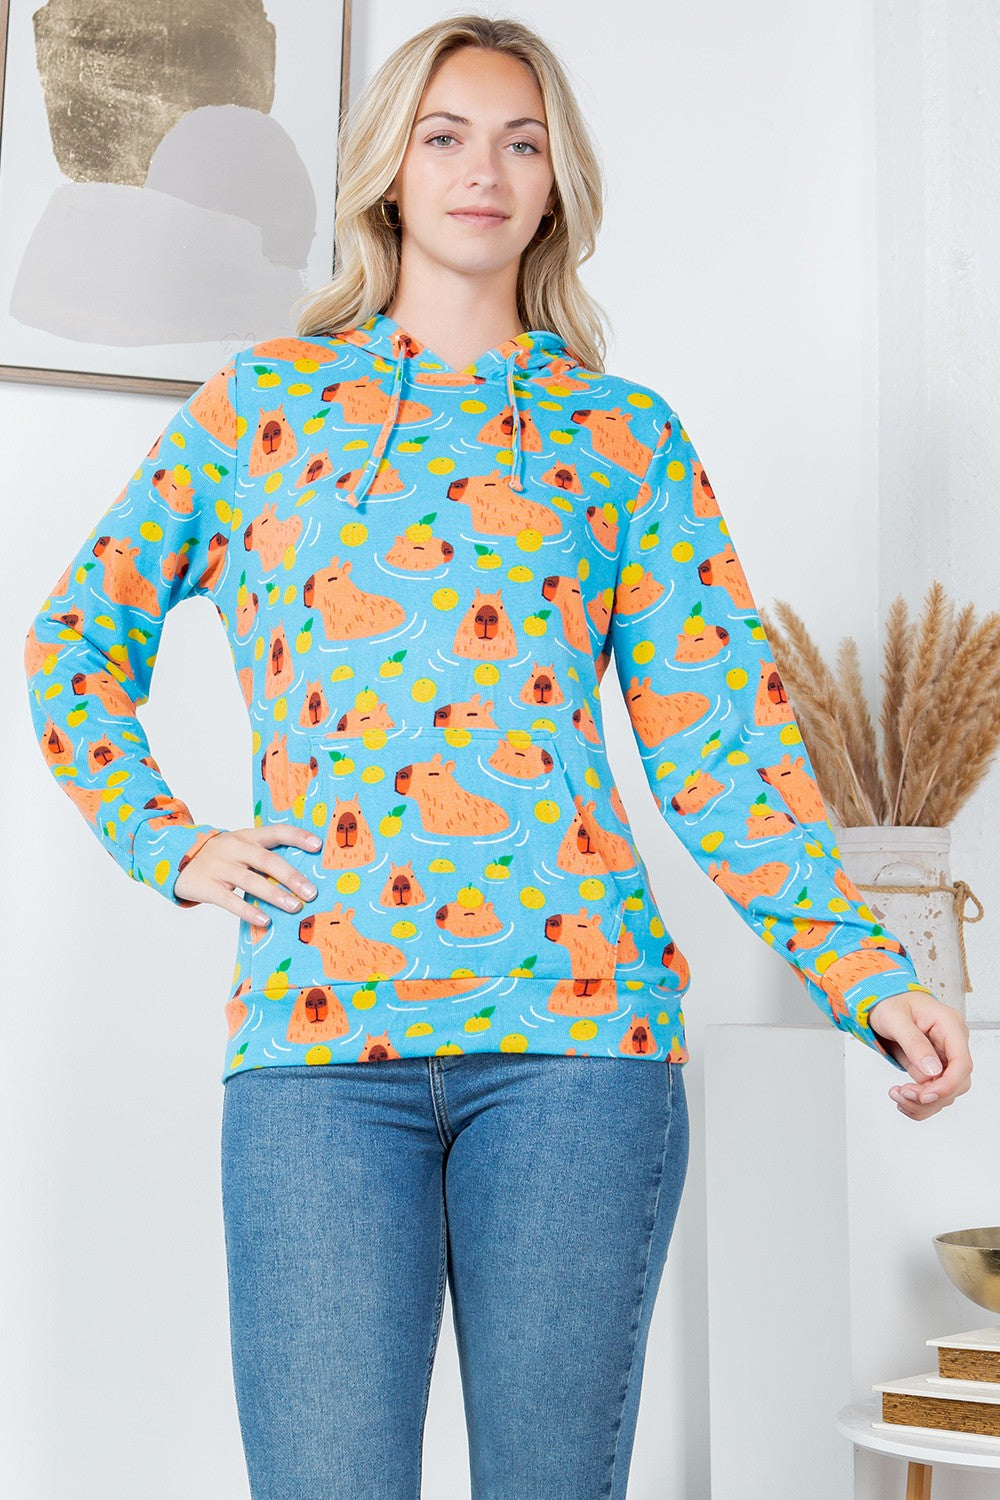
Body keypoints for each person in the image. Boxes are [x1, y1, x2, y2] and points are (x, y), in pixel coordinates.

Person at [23, 13, 972, 1498]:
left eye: (521, 143)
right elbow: (77, 640)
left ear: (555, 184)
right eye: (447, 137)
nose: (484, 170)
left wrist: (867, 973)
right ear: (389, 171)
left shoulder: (621, 438)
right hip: (319, 1052)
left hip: (579, 1053)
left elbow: (724, 742)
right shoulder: (261, 411)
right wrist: (171, 838)